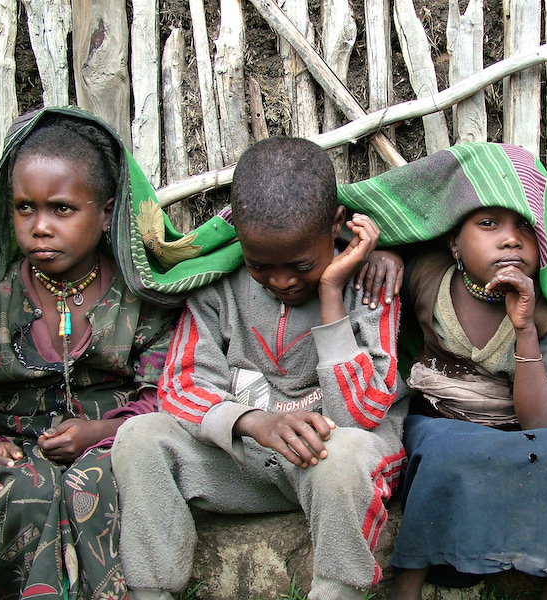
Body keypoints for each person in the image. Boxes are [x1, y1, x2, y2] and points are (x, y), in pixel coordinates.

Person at [111, 136, 409, 600]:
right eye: (260, 265)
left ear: (337, 226)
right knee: (141, 437)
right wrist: (254, 422)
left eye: (302, 264)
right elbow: (183, 383)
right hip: (247, 462)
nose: (282, 280)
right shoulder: (219, 287)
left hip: (330, 468)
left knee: (346, 455)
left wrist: (332, 292)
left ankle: (337, 591)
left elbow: (361, 418)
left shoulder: (369, 286)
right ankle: (151, 589)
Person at [338, 142, 547, 599]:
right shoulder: (429, 275)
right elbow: (352, 243)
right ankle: (406, 585)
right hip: (438, 425)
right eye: (488, 224)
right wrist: (382, 257)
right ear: (453, 242)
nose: (510, 239)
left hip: (516, 428)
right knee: (447, 450)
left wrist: (525, 329)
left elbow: (541, 423)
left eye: (525, 229)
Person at [0, 107, 177, 600]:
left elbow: (165, 396)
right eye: (26, 208)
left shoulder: (142, 301)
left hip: (111, 447)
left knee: (91, 484)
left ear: (106, 212)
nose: (40, 226)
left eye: (62, 209)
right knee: (22, 486)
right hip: (16, 451)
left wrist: (101, 431)